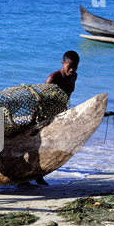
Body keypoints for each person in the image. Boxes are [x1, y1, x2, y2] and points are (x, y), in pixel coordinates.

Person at [34, 51, 80, 186]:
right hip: (46, 116)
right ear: (62, 63)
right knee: (42, 148)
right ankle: (37, 176)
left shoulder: (74, 77)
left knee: (55, 147)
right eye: (69, 66)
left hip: (60, 115)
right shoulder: (53, 79)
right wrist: (36, 119)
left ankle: (40, 174)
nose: (72, 70)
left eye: (75, 67)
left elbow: (68, 97)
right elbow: (40, 101)